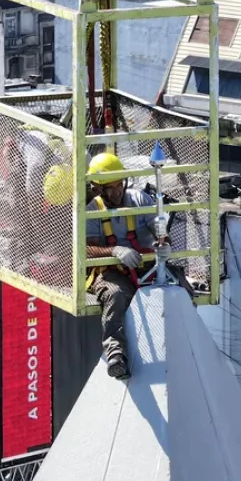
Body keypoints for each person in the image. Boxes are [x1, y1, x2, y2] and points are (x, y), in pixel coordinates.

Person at [86, 151, 162, 380]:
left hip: (143, 264)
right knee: (116, 295)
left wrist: (163, 239)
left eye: (119, 184)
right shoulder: (92, 211)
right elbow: (87, 248)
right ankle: (116, 354)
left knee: (178, 286)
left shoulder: (139, 200)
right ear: (98, 189)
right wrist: (115, 251)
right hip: (111, 271)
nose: (117, 191)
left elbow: (157, 225)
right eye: (110, 187)